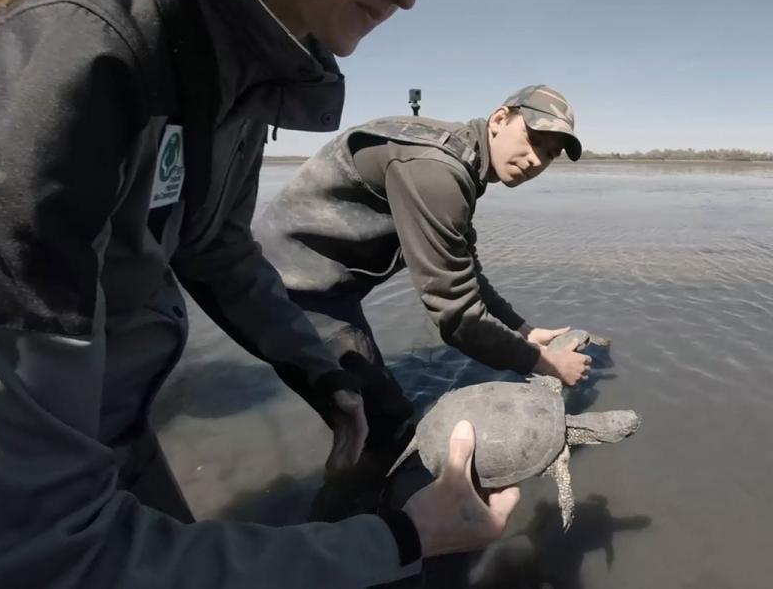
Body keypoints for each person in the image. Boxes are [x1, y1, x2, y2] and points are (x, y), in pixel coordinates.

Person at [0, 0, 518, 588]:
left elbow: (215, 246)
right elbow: (51, 547)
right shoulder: (86, 52)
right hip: (44, 465)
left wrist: (319, 372)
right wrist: (403, 540)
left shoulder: (240, 73)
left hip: (114, 421)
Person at [252, 85, 589, 516]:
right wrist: (546, 364)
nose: (536, 159)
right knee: (380, 423)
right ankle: (342, 532)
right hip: (287, 287)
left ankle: (366, 517)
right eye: (534, 140)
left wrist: (524, 329)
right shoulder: (437, 171)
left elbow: (464, 269)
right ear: (500, 119)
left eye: (549, 154)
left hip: (326, 286)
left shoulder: (461, 162)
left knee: (375, 418)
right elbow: (459, 318)